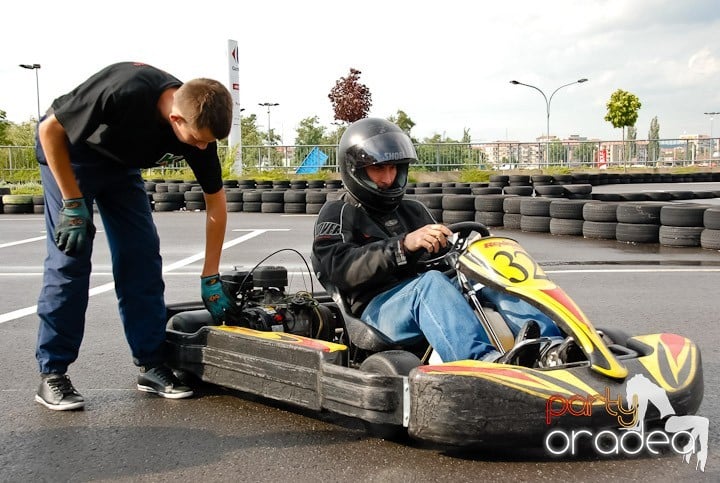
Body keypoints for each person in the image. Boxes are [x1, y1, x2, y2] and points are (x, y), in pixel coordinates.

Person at [34, 62, 238, 410]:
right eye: (198, 141)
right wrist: (72, 203)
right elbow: (49, 131)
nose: (203, 150)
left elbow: (216, 204)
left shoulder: (200, 126)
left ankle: (151, 364)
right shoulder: (124, 89)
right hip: (70, 156)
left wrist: (210, 274)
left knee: (142, 257)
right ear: (176, 120)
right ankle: (53, 372)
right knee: (71, 259)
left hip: (119, 165)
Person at [312, 118, 560, 363]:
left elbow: (446, 258)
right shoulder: (338, 212)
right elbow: (339, 268)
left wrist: (475, 257)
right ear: (356, 169)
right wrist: (403, 246)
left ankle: (551, 348)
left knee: (489, 275)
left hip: (427, 295)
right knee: (430, 283)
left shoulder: (413, 210)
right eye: (378, 168)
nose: (388, 178)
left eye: (394, 168)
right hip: (375, 311)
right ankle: (482, 362)